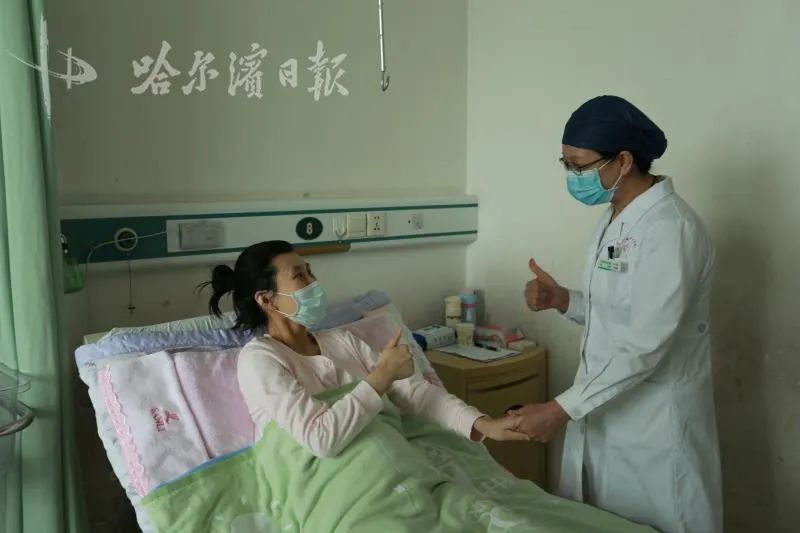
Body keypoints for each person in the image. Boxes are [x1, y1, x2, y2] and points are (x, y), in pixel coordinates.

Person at [512, 95, 723, 532]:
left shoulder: (671, 229)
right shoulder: (617, 218)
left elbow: (644, 342)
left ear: (623, 161)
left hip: (655, 428)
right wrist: (564, 300)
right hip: (608, 412)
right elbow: (621, 311)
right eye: (566, 164)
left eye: (579, 166)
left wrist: (560, 409)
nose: (573, 177)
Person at [205, 240, 528, 459]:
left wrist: (483, 424)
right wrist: (381, 376)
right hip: (328, 486)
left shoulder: (341, 341)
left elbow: (415, 393)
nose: (313, 282)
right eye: (299, 276)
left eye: (310, 271)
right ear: (266, 299)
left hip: (392, 461)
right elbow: (321, 440)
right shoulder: (260, 359)